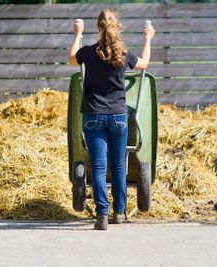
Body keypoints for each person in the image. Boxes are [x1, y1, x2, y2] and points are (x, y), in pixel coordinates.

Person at [68, 9, 155, 230]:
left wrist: (77, 33)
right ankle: (119, 213)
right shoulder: (123, 54)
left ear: (98, 27)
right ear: (117, 28)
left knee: (98, 168)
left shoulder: (88, 53)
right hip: (118, 116)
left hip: (93, 117)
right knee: (118, 166)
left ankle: (102, 216)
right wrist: (148, 38)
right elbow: (144, 63)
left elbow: (71, 60)